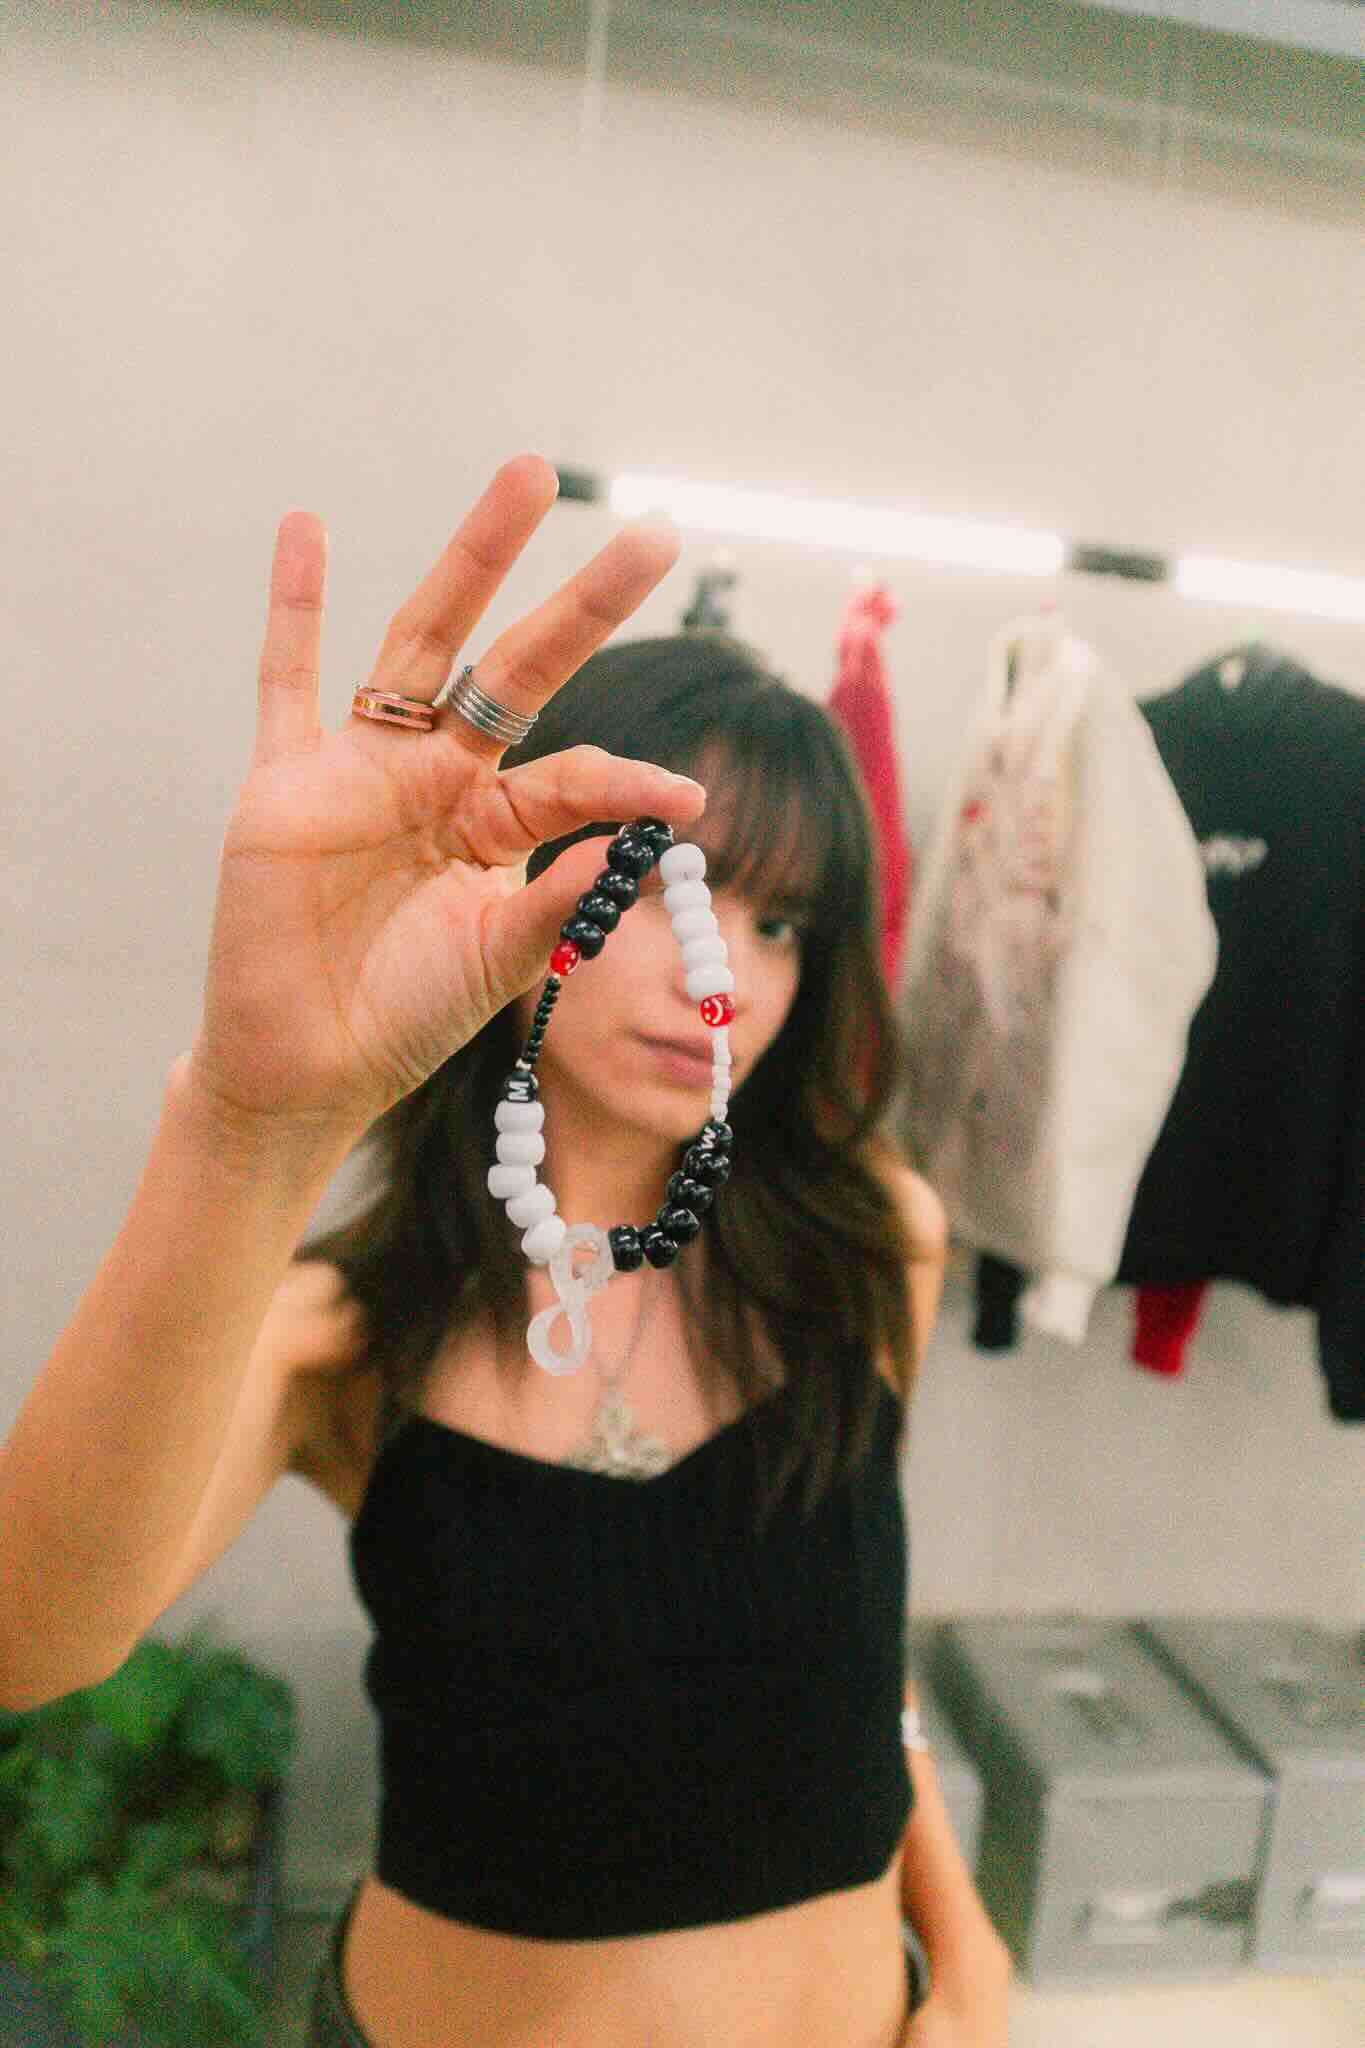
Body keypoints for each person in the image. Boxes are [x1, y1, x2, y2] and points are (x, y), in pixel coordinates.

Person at [0, 454, 1010, 2047]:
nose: (723, 976)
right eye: (665, 888)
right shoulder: (343, 1330)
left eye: (785, 925)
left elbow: (848, 1650)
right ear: (503, 872)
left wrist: (962, 1944)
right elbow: (27, 1641)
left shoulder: (868, 1244)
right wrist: (246, 1133)